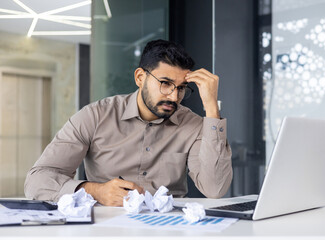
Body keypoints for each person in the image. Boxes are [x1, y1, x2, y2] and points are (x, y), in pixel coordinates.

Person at [25, 39, 233, 206]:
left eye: (181, 88)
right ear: (140, 77)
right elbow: (36, 181)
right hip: (106, 227)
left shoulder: (194, 125)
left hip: (169, 228)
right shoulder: (95, 116)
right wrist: (94, 190)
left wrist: (211, 109)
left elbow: (215, 189)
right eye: (165, 84)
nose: (173, 96)